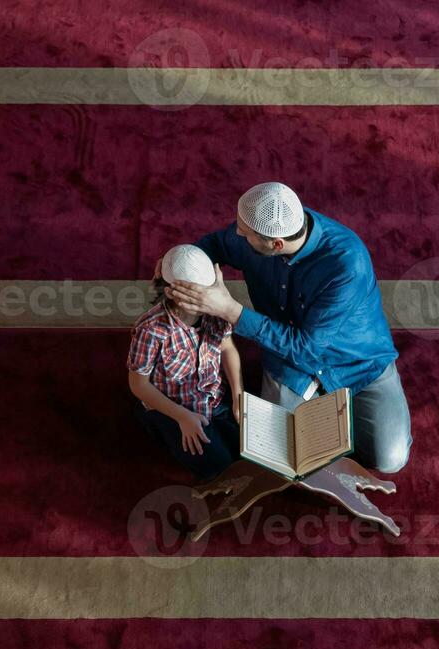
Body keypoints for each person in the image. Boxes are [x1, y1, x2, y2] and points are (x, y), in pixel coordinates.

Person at [167, 182, 412, 474]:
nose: (236, 235)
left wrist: (229, 310)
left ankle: (339, 415)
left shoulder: (347, 264)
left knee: (390, 459)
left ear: (276, 245)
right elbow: (215, 245)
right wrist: (176, 264)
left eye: (244, 233)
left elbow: (306, 346)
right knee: (279, 456)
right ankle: (326, 418)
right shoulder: (256, 235)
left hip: (358, 364)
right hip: (288, 361)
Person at [127, 244, 244, 479]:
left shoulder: (215, 311)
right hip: (173, 408)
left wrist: (238, 394)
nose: (208, 300)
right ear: (172, 294)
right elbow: (138, 385)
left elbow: (228, 348)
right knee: (218, 466)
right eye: (198, 296)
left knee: (248, 454)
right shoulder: (152, 329)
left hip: (213, 401)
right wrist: (182, 417)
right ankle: (161, 429)